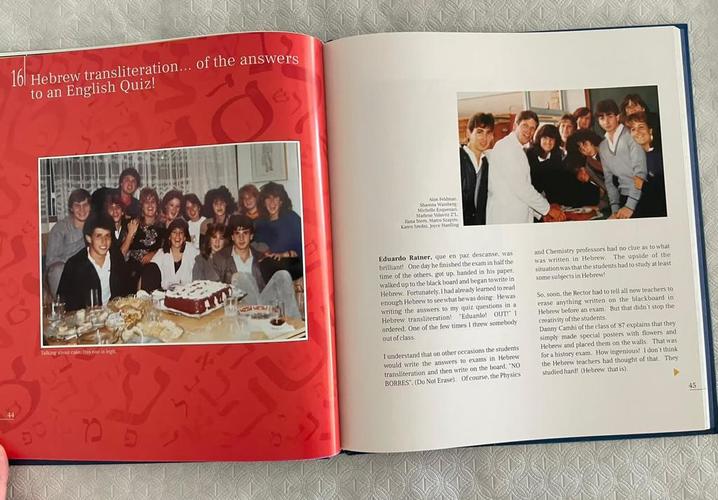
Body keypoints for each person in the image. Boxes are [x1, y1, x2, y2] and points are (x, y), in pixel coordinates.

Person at [213, 215, 301, 318]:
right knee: (240, 277)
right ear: (232, 237)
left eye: (245, 233)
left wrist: (286, 254)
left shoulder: (261, 257)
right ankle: (257, 318)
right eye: (237, 234)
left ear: (251, 236)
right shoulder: (220, 258)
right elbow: (215, 290)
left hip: (262, 305)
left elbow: (295, 267)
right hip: (239, 309)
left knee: (283, 275)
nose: (241, 238)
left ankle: (294, 322)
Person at [486, 110, 565, 224]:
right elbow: (521, 187)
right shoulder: (507, 147)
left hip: (516, 216)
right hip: (507, 218)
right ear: (515, 126)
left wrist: (540, 214)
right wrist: (547, 210)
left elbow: (522, 189)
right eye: (525, 125)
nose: (529, 131)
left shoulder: (517, 149)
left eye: (532, 128)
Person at [56, 214, 131, 312]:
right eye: (98, 236)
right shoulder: (74, 265)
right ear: (89, 238)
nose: (104, 241)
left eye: (107, 236)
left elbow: (126, 292)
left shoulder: (116, 257)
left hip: (115, 314)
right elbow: (63, 303)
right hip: (86, 317)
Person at [595, 99, 647, 219]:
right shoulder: (603, 147)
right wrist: (615, 209)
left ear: (617, 117)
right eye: (601, 118)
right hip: (623, 198)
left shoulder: (631, 135)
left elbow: (640, 173)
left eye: (610, 116)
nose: (606, 121)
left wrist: (630, 206)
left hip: (642, 196)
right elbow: (609, 181)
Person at [45, 188, 92, 298]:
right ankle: (62, 304)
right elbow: (51, 261)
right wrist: (72, 268)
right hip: (64, 271)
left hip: (86, 270)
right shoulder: (60, 228)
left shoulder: (94, 226)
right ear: (71, 208)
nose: (82, 209)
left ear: (90, 207)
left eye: (85, 205)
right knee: (57, 270)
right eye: (77, 206)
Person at [122, 187, 166, 289]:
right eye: (146, 202)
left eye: (153, 202)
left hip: (153, 269)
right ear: (142, 206)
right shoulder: (133, 223)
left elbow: (167, 249)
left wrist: (154, 254)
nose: (150, 205)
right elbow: (122, 253)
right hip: (132, 269)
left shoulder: (163, 226)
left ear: (157, 205)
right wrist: (130, 234)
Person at [625, 112, 666, 217]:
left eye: (641, 127)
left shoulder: (662, 155)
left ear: (650, 130)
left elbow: (664, 193)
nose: (637, 132)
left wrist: (642, 185)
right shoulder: (632, 158)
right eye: (633, 129)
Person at [143, 218, 199, 291]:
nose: (177, 236)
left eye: (181, 232)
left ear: (185, 237)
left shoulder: (193, 251)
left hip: (188, 293)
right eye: (174, 232)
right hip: (166, 294)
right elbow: (149, 272)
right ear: (169, 236)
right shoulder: (162, 253)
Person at [459, 112, 494, 225]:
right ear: (468, 133)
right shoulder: (458, 158)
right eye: (479, 132)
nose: (484, 138)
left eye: (488, 133)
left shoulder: (487, 163)